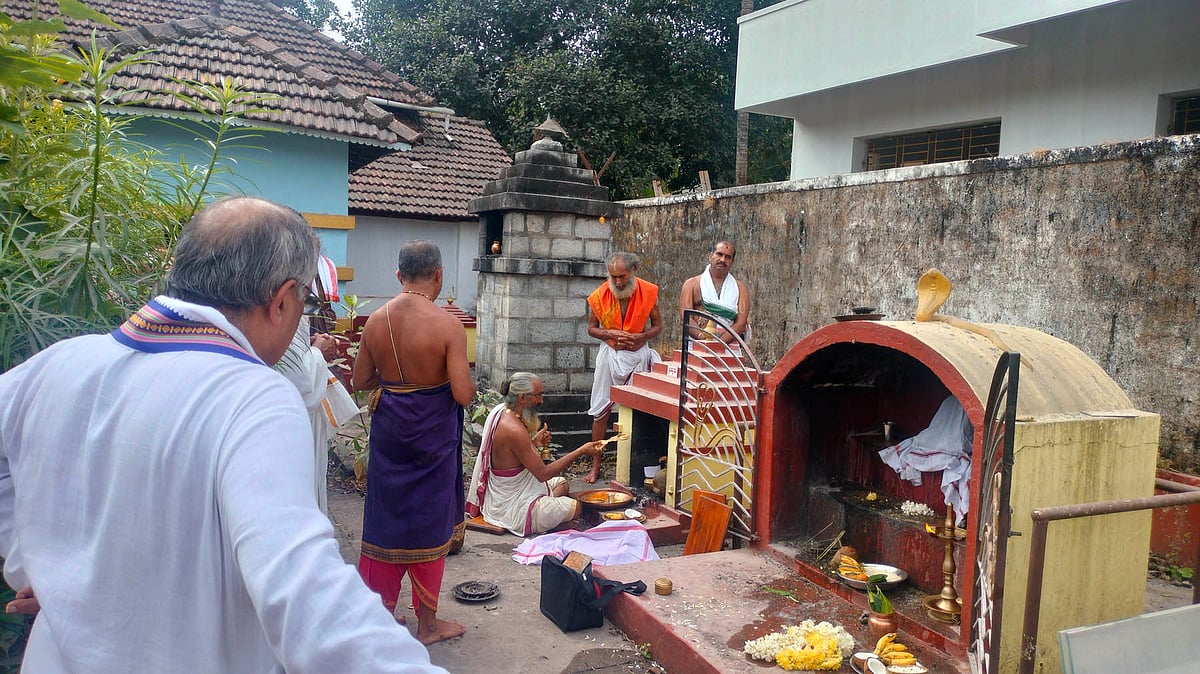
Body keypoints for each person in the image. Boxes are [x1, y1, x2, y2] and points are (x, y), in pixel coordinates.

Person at [0, 196, 446, 673]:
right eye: (305, 302)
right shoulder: (250, 396)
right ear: (282, 300)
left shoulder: (54, 366)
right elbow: (302, 591)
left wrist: (40, 564)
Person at [352, 240, 475, 645]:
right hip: (432, 438)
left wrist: (395, 383)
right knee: (429, 522)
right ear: (438, 275)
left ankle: (379, 619)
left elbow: (360, 380)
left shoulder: (376, 321)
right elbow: (462, 393)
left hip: (391, 433)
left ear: (398, 275)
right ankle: (428, 625)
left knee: (386, 519)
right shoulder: (448, 325)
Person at [465, 372, 605, 535]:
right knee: (577, 507)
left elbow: (513, 454)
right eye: (538, 395)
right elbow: (543, 474)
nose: (541, 401)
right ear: (522, 398)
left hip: (516, 491)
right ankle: (546, 523)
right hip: (511, 506)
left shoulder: (502, 411)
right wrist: (582, 450)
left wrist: (534, 443)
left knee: (562, 484)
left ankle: (547, 519)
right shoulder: (514, 429)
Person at [585, 251, 663, 483]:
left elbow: (657, 325)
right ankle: (595, 466)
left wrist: (642, 337)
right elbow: (591, 328)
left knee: (640, 412)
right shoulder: (600, 295)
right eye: (613, 277)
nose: (618, 282)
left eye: (622, 276)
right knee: (600, 411)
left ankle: (635, 468)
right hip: (610, 355)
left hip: (638, 355)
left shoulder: (648, 292)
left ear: (633, 271)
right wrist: (609, 333)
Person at [679, 240, 751, 344]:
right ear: (710, 256)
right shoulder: (691, 284)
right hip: (698, 345)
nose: (722, 260)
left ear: (732, 261)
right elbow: (685, 318)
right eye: (719, 254)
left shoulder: (741, 289)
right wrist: (704, 340)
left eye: (728, 257)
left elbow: (741, 324)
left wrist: (718, 344)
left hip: (729, 347)